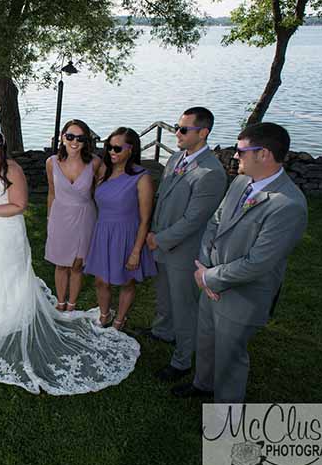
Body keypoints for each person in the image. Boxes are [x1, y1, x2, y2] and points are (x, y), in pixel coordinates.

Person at [0, 129, 140, 395]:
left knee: (5, 271)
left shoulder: (12, 169)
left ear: (2, 146)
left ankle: (11, 308)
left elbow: (20, 205)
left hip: (5, 232)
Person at [172, 122, 308, 403]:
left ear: (264, 154)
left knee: (230, 357)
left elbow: (258, 262)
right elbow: (215, 222)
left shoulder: (288, 205)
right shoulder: (240, 182)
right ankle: (203, 384)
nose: (235, 156)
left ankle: (225, 414)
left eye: (241, 151)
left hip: (243, 296)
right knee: (207, 341)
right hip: (210, 281)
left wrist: (209, 278)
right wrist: (205, 269)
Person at [143, 107, 227, 384]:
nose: (176, 133)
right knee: (164, 295)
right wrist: (153, 231)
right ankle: (163, 331)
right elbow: (163, 198)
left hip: (185, 251)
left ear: (203, 133)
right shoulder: (177, 157)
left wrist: (159, 239)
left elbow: (194, 219)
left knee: (185, 307)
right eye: (176, 128)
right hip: (161, 242)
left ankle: (181, 361)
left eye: (183, 129)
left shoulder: (211, 172)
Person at [84, 128, 156, 331]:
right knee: (101, 280)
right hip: (103, 233)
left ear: (131, 150)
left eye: (117, 148)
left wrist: (135, 251)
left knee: (126, 281)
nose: (111, 152)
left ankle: (120, 319)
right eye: (108, 147)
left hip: (127, 235)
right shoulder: (103, 172)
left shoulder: (142, 178)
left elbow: (145, 219)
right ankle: (105, 314)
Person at [45, 119, 101, 312]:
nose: (74, 141)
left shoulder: (94, 162)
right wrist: (49, 218)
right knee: (61, 263)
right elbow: (52, 192)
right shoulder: (51, 163)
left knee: (77, 264)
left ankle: (71, 304)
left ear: (86, 141)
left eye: (80, 138)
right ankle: (60, 302)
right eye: (70, 136)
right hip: (59, 216)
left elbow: (101, 191)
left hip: (84, 216)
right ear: (62, 138)